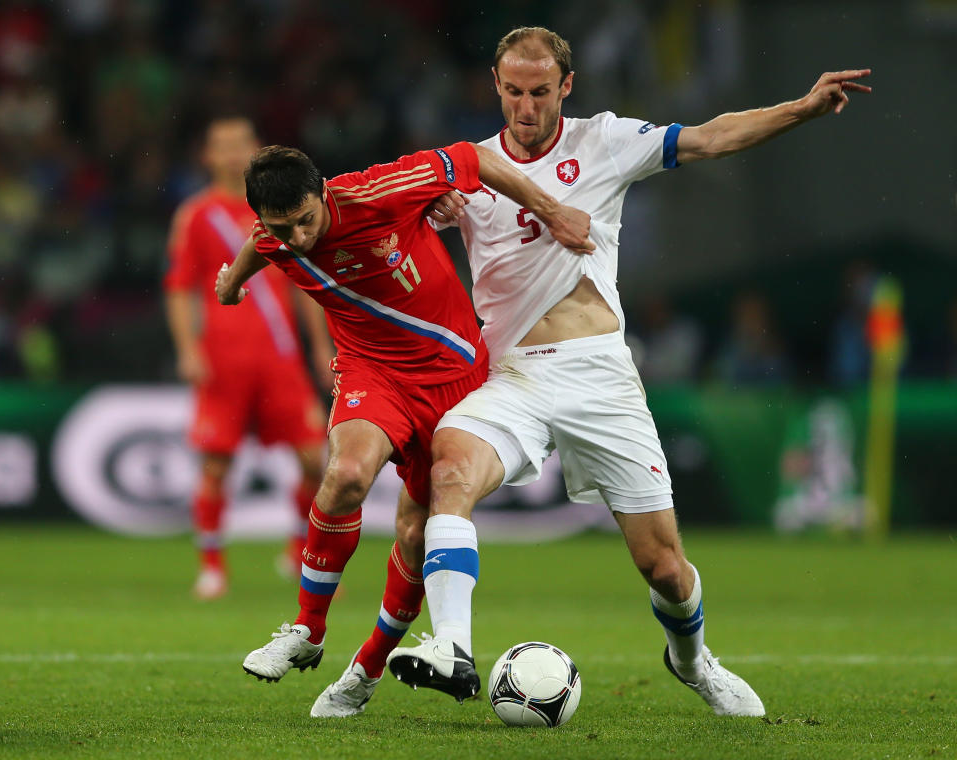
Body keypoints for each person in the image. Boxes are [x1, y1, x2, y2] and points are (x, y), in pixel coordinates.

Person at [387, 26, 871, 716]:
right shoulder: (468, 169)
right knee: (451, 470)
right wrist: (430, 216)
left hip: (600, 375)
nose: (526, 108)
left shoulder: (605, 141)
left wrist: (801, 107)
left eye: (540, 93)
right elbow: (386, 234)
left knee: (665, 568)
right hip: (512, 375)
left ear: (567, 88)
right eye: (514, 93)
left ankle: (693, 661)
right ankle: (452, 649)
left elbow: (709, 137)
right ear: (497, 87)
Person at [216, 139, 591, 717]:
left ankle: (365, 670)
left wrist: (550, 209)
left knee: (417, 537)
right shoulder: (276, 234)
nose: (297, 239)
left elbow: (473, 156)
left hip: (453, 377)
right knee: (344, 474)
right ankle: (307, 629)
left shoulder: (377, 191)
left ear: (322, 192)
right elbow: (258, 247)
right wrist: (231, 284)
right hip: (373, 371)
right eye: (281, 228)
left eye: (304, 221)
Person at [164, 116, 332, 600]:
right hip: (225, 361)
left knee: (312, 458)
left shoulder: (281, 208)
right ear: (208, 155)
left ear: (257, 150)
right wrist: (188, 348)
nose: (234, 154)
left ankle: (301, 552)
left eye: (242, 144)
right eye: (224, 146)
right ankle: (212, 566)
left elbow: (306, 285)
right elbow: (179, 287)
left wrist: (320, 347)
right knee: (216, 465)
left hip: (280, 360)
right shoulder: (196, 214)